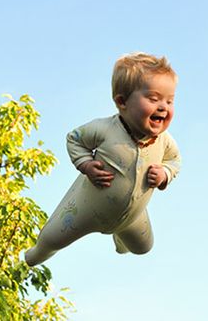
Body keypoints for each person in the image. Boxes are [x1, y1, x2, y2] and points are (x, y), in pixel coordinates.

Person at [25, 52, 181, 266]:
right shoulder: (106, 129)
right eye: (153, 99)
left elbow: (174, 160)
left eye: (169, 101)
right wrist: (87, 165)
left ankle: (121, 238)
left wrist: (165, 174)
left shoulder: (164, 141)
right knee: (52, 238)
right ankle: (35, 255)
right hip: (88, 208)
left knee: (144, 247)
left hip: (132, 216)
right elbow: (75, 139)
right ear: (122, 101)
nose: (163, 106)